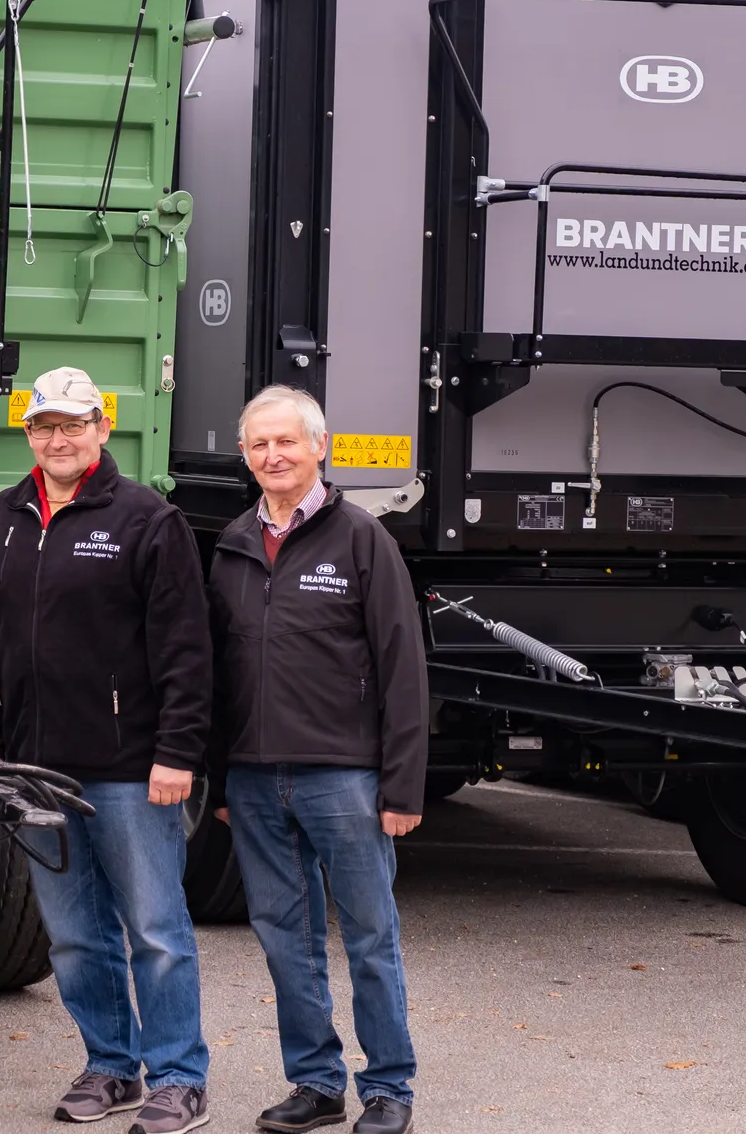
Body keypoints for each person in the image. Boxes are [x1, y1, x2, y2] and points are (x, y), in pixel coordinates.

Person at [0, 367, 215, 1134]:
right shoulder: (2, 520)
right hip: (36, 770)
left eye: (74, 424)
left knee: (156, 932)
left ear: (102, 428)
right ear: (28, 433)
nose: (59, 438)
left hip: (132, 768)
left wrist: (178, 752)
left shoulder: (147, 520)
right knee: (73, 935)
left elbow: (186, 648)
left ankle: (179, 1078)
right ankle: (111, 1066)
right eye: (45, 426)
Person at [205, 385, 429, 1134]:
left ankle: (389, 1088)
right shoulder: (233, 543)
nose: (274, 456)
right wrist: (223, 775)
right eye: (259, 444)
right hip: (254, 778)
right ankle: (316, 1084)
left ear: (319, 447)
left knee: (369, 935)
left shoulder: (362, 539)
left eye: (287, 442)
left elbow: (403, 669)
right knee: (285, 938)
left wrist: (403, 786)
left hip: (345, 777)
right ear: (245, 455)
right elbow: (218, 672)